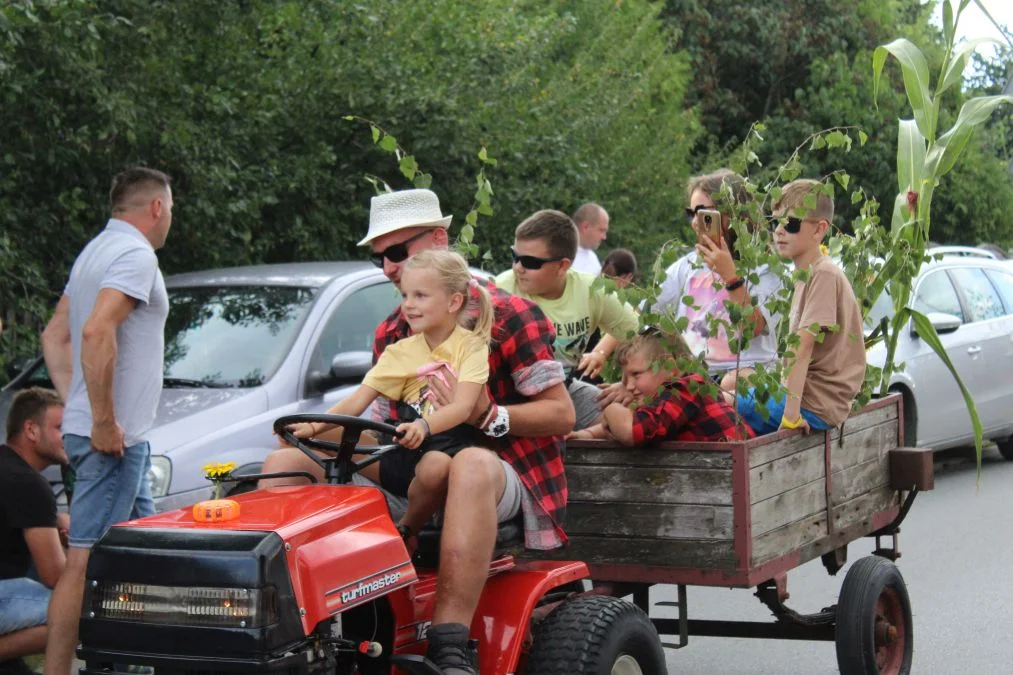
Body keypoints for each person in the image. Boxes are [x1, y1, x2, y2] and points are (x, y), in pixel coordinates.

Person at [261, 188, 573, 675]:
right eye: (379, 257)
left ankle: (450, 644)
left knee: (468, 463)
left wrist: (487, 414)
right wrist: (310, 430)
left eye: (397, 252)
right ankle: (287, 627)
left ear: (439, 240)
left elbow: (561, 416)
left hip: (499, 470)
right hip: (423, 465)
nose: (387, 268)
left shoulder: (510, 317)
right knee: (288, 460)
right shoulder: (392, 331)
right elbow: (381, 416)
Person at [40, 167, 172, 675]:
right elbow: (95, 332)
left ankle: (143, 662)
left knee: (152, 554)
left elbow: (55, 335)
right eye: (171, 210)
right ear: (157, 207)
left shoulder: (95, 251)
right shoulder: (136, 255)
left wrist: (74, 400)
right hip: (112, 440)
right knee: (83, 561)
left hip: (112, 436)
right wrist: (100, 419)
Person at [287, 249, 494, 540]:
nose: (409, 305)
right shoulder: (399, 351)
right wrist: (310, 427)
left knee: (436, 466)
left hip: (444, 450)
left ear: (453, 302)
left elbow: (463, 407)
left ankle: (407, 528)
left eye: (420, 296)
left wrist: (423, 426)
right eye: (406, 296)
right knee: (295, 446)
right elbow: (357, 402)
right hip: (397, 451)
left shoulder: (471, 347)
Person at [733, 179, 866, 434]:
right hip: (809, 399)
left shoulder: (823, 274)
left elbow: (802, 347)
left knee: (724, 404)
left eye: (791, 223)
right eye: (775, 222)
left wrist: (791, 417)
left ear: (819, 230)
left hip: (813, 406)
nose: (779, 231)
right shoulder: (807, 274)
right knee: (732, 384)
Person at [494, 210, 638, 430]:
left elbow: (644, 339)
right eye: (514, 256)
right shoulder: (502, 290)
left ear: (562, 266)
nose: (517, 268)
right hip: (510, 398)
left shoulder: (592, 290)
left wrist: (629, 384)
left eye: (530, 262)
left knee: (634, 413)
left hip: (566, 390)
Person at [653, 169, 784, 390]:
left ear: (733, 213)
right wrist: (600, 352)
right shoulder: (688, 265)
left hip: (745, 378)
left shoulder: (765, 267)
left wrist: (729, 276)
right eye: (691, 213)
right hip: (695, 377)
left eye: (704, 213)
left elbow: (753, 326)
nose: (696, 222)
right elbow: (645, 310)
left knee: (731, 384)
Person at [570, 329, 754, 444]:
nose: (628, 386)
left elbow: (633, 430)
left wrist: (610, 408)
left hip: (730, 477)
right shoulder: (660, 396)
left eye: (636, 374)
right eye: (624, 378)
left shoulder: (685, 389)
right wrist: (587, 434)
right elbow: (637, 419)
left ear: (670, 368)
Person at [0, 389, 68, 675]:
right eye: (60, 428)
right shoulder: (29, 485)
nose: (69, 437)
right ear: (31, 430)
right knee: (77, 610)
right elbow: (56, 576)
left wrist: (54, 520)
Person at [571, 202, 609, 275]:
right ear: (585, 226)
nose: (604, 237)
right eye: (601, 230)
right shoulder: (557, 253)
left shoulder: (593, 260)